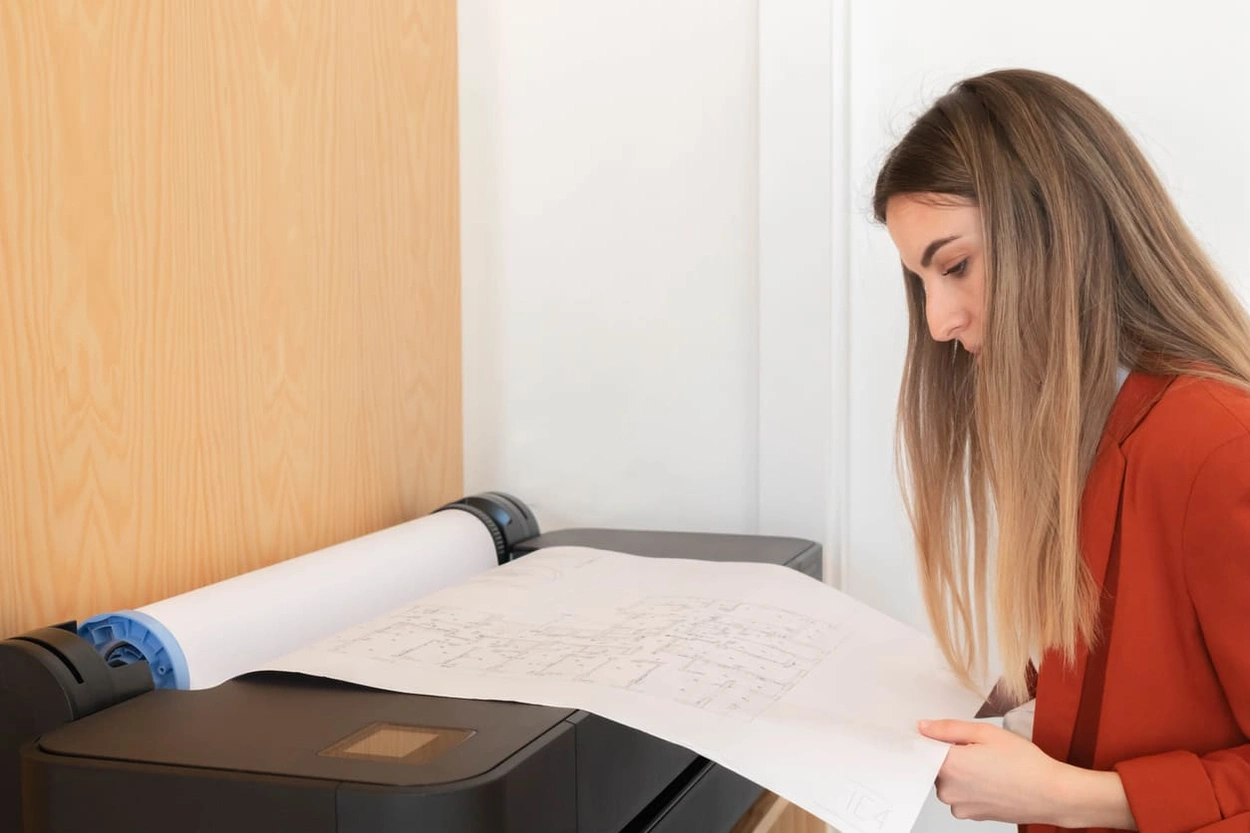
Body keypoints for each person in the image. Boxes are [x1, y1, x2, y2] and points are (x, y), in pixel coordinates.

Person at [872, 68, 1250, 832]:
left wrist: (1062, 796)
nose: (939, 320)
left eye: (956, 266)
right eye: (921, 283)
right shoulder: (1090, 430)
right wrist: (1029, 691)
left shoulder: (1217, 447)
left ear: (1059, 230)